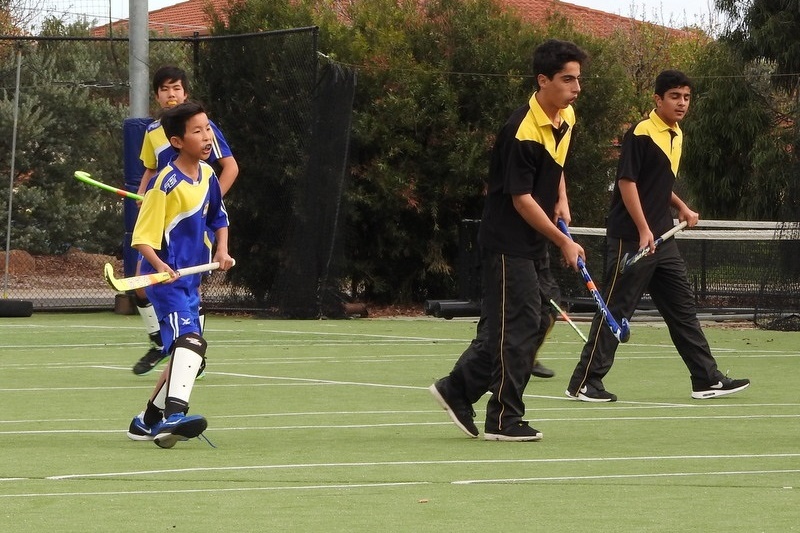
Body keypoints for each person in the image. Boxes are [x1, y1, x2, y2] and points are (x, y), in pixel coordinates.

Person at [429, 39, 587, 441]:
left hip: (533, 241)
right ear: (543, 80)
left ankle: (457, 388)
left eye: (578, 80)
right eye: (568, 80)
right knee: (515, 329)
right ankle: (503, 417)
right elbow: (521, 201)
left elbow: (557, 165)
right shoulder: (522, 131)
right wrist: (563, 241)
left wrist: (562, 200)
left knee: (541, 317)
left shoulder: (565, 115)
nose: (576, 88)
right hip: (506, 244)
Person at [565, 70, 750, 402]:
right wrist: (643, 228)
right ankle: (584, 382)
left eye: (686, 97)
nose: (681, 103)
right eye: (675, 97)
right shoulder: (641, 132)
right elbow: (627, 182)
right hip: (632, 238)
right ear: (658, 99)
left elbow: (657, 184)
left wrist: (681, 206)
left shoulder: (676, 134)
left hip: (663, 237)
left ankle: (705, 379)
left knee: (682, 309)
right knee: (616, 309)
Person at [126, 101, 234, 447]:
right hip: (165, 283)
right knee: (190, 343)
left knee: (190, 357)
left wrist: (222, 250)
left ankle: (146, 421)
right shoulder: (164, 184)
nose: (207, 137)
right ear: (177, 141)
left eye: (208, 129)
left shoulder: (207, 176)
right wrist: (161, 267)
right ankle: (174, 417)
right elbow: (141, 240)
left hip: (190, 281)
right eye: (197, 131)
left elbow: (219, 217)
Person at [131, 65, 238, 376]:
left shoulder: (203, 128)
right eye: (164, 89)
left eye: (176, 88)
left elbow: (229, 169)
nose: (171, 94)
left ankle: (192, 349)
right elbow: (151, 172)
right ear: (156, 96)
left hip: (191, 218)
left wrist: (203, 200)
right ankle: (161, 340)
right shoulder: (153, 132)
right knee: (144, 279)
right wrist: (142, 200)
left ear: (185, 92)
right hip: (162, 212)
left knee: (188, 283)